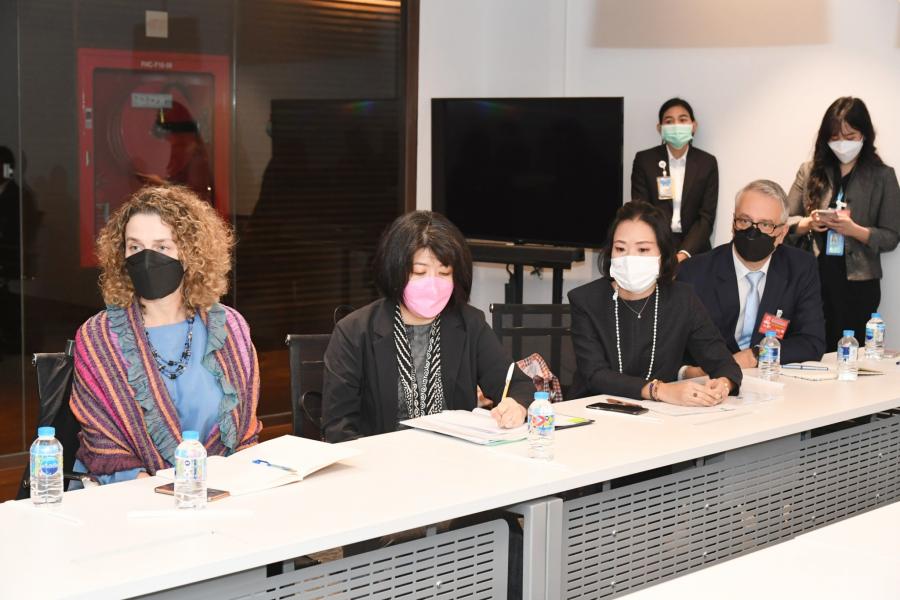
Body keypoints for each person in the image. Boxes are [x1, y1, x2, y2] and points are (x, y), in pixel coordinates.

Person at [70, 185, 261, 484]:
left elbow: (244, 431)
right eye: (135, 247)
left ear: (191, 254)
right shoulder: (99, 337)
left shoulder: (229, 328)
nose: (146, 259)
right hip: (126, 494)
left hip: (219, 488)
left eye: (161, 247)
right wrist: (159, 491)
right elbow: (102, 441)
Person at [322, 210, 534, 442]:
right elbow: (338, 429)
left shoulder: (470, 323)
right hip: (384, 460)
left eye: (444, 272)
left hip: (456, 456)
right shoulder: (353, 332)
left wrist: (516, 405)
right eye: (419, 272)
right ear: (395, 271)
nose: (432, 286)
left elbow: (518, 385)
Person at [568, 202, 741, 406]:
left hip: (661, 415)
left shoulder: (683, 299)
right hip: (593, 411)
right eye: (620, 248)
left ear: (663, 254)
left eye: (643, 249)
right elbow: (595, 375)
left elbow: (723, 362)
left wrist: (723, 384)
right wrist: (659, 390)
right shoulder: (586, 300)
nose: (629, 258)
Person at [678, 180, 826, 376]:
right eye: (745, 221)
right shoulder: (694, 272)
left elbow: (812, 341)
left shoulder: (800, 267)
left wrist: (756, 355)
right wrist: (690, 372)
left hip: (769, 378)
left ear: (782, 233)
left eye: (765, 225)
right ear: (733, 224)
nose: (753, 231)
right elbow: (672, 347)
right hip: (707, 381)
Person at [786, 97, 900, 348]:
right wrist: (807, 223)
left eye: (850, 137)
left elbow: (892, 236)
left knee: (852, 351)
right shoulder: (809, 170)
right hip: (814, 276)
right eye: (835, 137)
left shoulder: (882, 176)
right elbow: (784, 220)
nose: (842, 143)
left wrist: (855, 231)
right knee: (811, 346)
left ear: (864, 135)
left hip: (859, 282)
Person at [631, 97, 719, 261]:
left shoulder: (707, 163)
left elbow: (706, 217)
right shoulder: (645, 160)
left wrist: (683, 254)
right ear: (660, 128)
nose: (676, 125)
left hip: (695, 251)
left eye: (682, 120)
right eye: (669, 121)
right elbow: (641, 211)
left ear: (693, 126)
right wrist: (661, 250)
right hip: (655, 249)